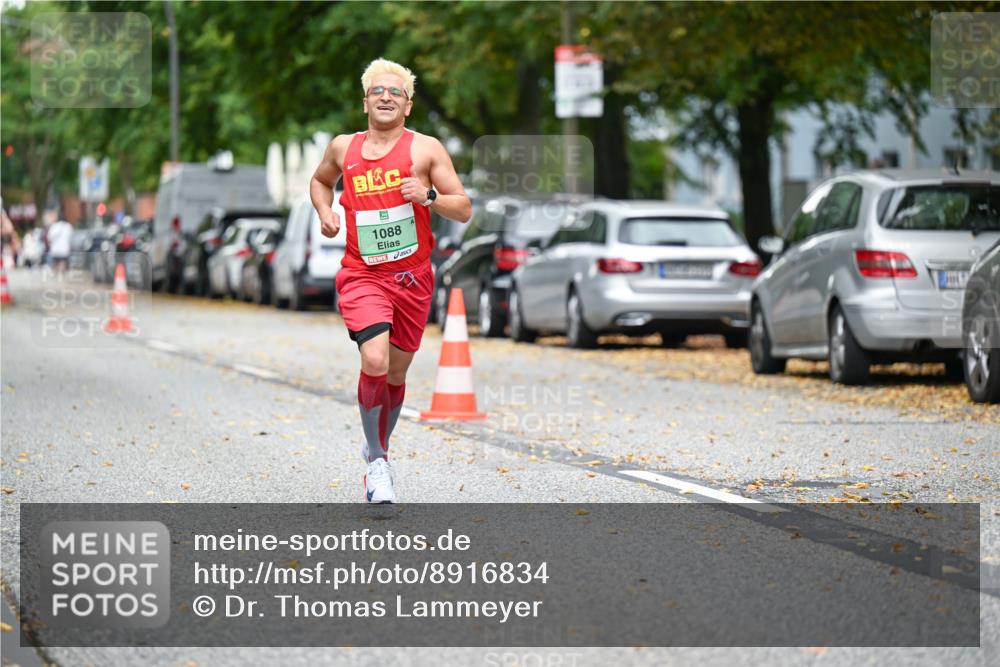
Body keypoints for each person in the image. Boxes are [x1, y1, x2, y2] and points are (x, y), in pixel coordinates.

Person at [310, 58, 472, 504]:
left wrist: (429, 196)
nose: (386, 97)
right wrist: (326, 212)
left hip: (413, 278)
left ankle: (378, 442)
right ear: (365, 102)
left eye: (395, 92)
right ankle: (378, 461)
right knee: (375, 358)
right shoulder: (344, 148)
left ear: (408, 105)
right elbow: (321, 182)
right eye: (378, 91)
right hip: (363, 273)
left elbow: (463, 207)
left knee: (397, 372)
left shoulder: (427, 150)